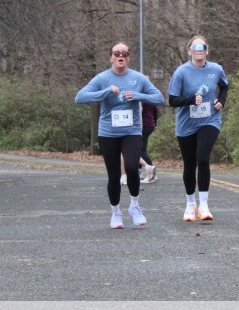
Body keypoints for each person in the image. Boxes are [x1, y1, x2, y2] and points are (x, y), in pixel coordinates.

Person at [75, 42, 165, 229]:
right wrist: (106, 92)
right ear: (111, 57)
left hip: (131, 131)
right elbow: (80, 97)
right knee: (114, 174)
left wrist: (138, 96)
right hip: (108, 133)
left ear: (129, 58)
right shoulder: (102, 78)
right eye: (117, 53)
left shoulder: (138, 78)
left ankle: (134, 206)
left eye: (124, 53)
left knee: (132, 167)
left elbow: (159, 98)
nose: (120, 56)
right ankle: (116, 213)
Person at [168, 36, 228, 222]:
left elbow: (224, 86)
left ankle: (204, 205)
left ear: (207, 50)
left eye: (203, 46)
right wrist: (191, 100)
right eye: (196, 46)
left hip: (210, 120)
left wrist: (221, 100)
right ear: (190, 51)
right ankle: (190, 204)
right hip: (186, 124)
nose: (199, 49)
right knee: (189, 164)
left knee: (202, 158)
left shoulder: (216, 69)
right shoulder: (181, 72)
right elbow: (172, 100)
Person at [140, 102, 159, 183]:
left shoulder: (141, 99)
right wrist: (155, 124)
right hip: (150, 124)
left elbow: (139, 111)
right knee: (141, 149)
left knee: (140, 151)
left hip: (143, 125)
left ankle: (152, 172)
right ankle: (141, 172)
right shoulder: (150, 99)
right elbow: (155, 111)